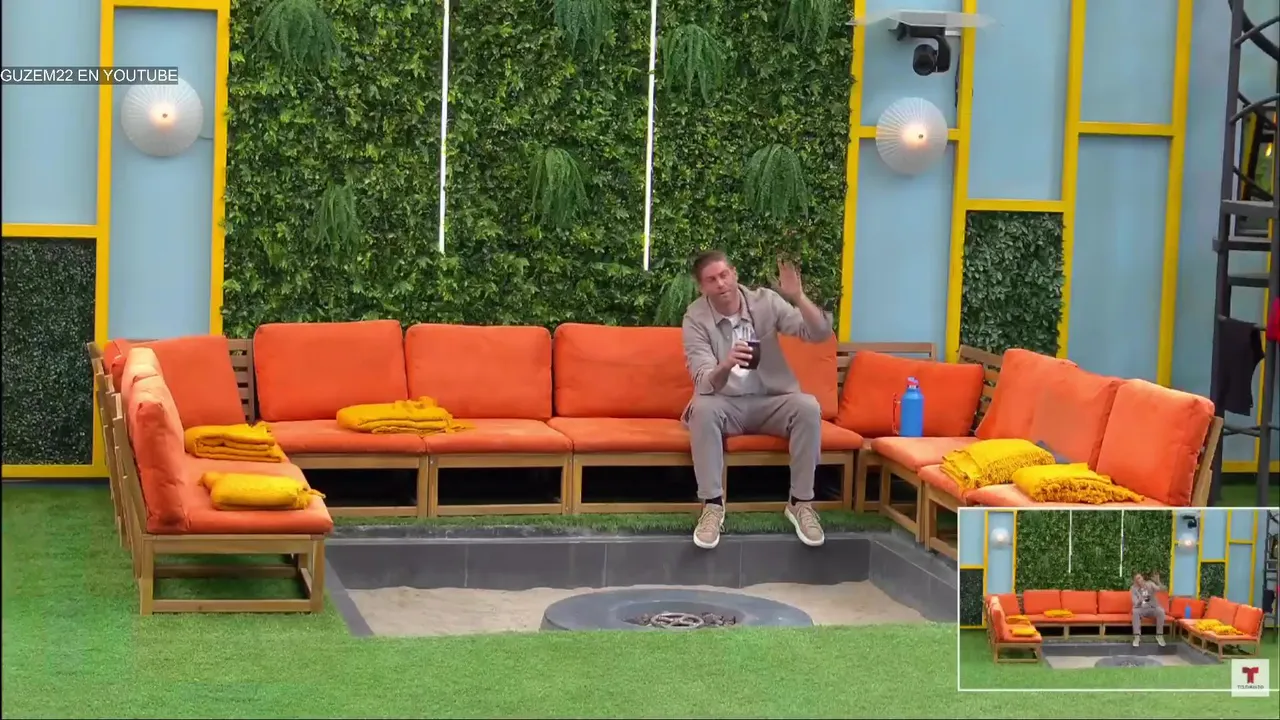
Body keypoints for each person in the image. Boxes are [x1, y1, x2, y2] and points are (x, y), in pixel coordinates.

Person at [680, 249, 834, 550]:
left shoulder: (766, 302)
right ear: (702, 287)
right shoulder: (695, 318)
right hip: (726, 403)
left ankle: (800, 503)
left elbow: (819, 334)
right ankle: (712, 505)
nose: (721, 284)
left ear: (734, 274)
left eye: (724, 275)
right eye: (711, 280)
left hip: (771, 400)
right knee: (702, 409)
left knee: (808, 406)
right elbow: (703, 381)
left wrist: (798, 297)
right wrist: (726, 363)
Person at [1130, 571, 1167, 647]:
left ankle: (1159, 635)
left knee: (1161, 611)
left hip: (1152, 608)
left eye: (1139, 578)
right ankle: (1137, 636)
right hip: (1141, 609)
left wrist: (1158, 582)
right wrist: (1140, 599)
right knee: (1135, 611)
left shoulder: (1150, 584)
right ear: (1134, 581)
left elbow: (1162, 589)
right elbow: (1135, 603)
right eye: (1136, 579)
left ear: (1142, 578)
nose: (1138, 580)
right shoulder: (1133, 589)